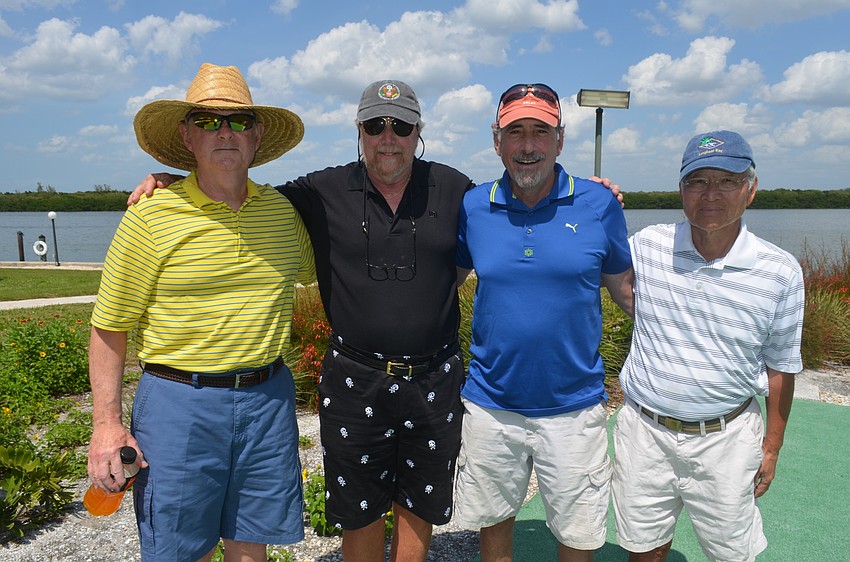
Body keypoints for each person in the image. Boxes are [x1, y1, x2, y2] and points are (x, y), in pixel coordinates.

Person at [130, 80, 623, 562]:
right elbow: (235, 189)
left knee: (420, 501)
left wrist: (588, 191)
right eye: (375, 125)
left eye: (402, 126)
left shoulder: (455, 190)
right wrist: (176, 181)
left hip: (436, 375)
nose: (389, 137)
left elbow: (519, 197)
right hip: (354, 378)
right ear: (359, 130)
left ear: (418, 131)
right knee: (358, 508)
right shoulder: (319, 190)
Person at [87, 63, 315, 562]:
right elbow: (109, 327)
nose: (225, 132)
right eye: (209, 122)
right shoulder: (150, 216)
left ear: (257, 135)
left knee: (251, 544)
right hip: (179, 404)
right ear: (187, 136)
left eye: (238, 121)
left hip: (268, 401)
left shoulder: (283, 213)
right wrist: (106, 425)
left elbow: (337, 266)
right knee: (176, 550)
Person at [453, 83, 634, 562]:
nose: (528, 146)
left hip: (574, 406)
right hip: (492, 404)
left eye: (540, 132)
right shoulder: (472, 205)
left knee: (578, 531)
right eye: (516, 132)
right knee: (493, 519)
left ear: (560, 139)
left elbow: (626, 292)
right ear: (497, 141)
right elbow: (440, 287)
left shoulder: (599, 204)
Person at [612, 130, 805, 561]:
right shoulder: (646, 247)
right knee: (644, 549)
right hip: (645, 432)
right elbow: (591, 260)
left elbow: (781, 369)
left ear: (751, 189)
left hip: (727, 440)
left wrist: (771, 449)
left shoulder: (781, 272)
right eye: (698, 181)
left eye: (727, 180)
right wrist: (597, 198)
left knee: (731, 554)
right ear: (681, 189)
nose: (711, 193)